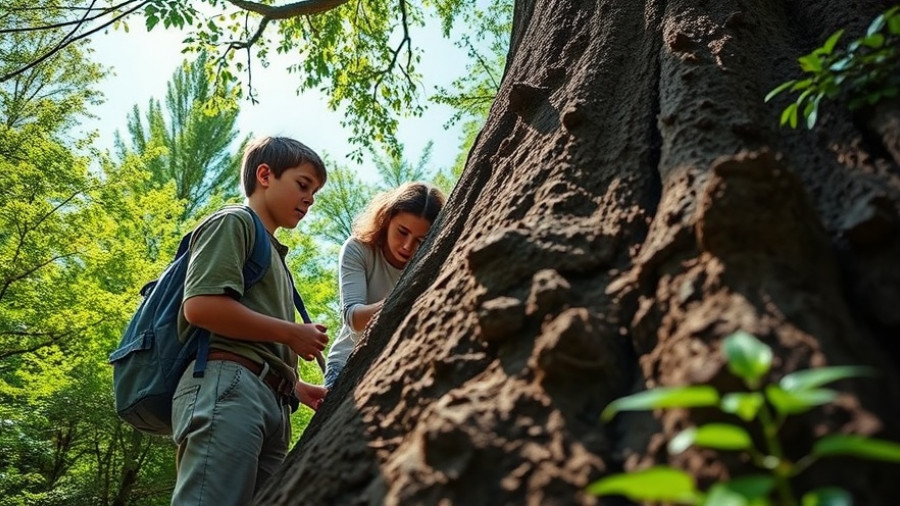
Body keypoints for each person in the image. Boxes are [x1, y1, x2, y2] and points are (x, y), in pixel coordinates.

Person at [171, 136, 330, 505]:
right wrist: (292, 333)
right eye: (303, 185)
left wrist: (293, 385)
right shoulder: (234, 221)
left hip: (271, 400)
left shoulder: (276, 256)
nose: (309, 199)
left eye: (315, 192)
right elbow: (201, 306)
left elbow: (255, 337)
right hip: (228, 386)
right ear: (264, 175)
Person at [324, 182, 446, 389]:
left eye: (420, 240)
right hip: (347, 364)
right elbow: (354, 318)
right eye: (402, 232)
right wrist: (406, 296)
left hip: (401, 365)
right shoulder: (358, 249)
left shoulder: (432, 262)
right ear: (386, 219)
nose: (408, 246)